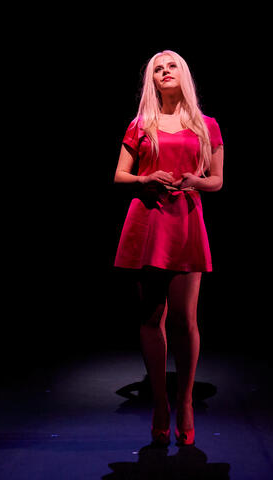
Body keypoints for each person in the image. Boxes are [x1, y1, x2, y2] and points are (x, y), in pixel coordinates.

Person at [113, 50, 224, 447]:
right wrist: (144, 179)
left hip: (186, 221)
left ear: (183, 73)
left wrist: (196, 180)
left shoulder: (206, 125)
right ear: (152, 80)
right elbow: (119, 175)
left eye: (171, 65)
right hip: (147, 222)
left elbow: (217, 180)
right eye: (157, 69)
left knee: (184, 319)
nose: (164, 72)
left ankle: (186, 400)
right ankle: (160, 404)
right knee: (151, 317)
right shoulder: (141, 124)